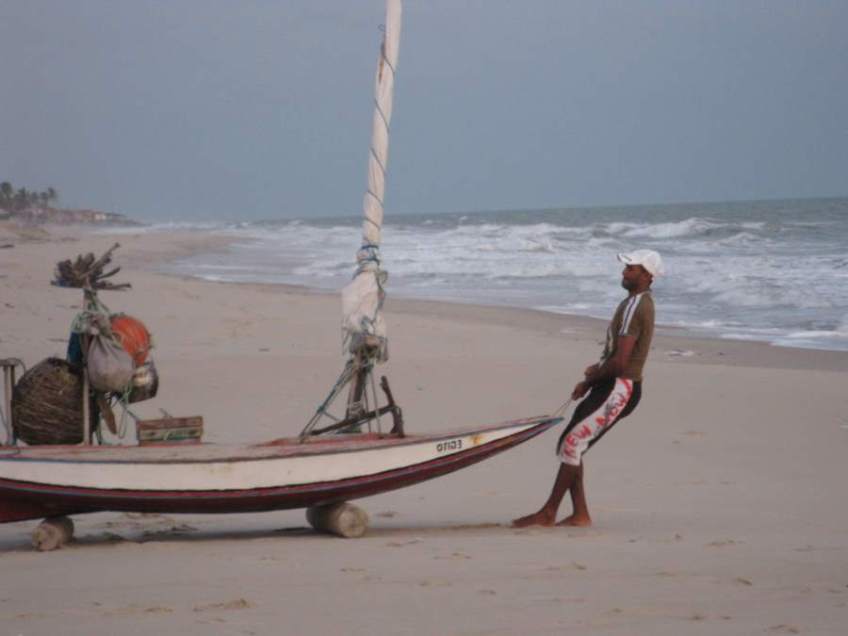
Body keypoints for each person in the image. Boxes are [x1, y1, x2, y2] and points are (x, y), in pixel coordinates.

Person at [513, 249, 663, 528]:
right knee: (570, 444)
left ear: (647, 275)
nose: (624, 272)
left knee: (572, 444)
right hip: (611, 384)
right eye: (626, 267)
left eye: (631, 268)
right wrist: (590, 379)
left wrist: (592, 377)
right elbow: (614, 356)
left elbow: (620, 362)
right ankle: (579, 514)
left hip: (620, 387)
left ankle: (548, 512)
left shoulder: (636, 306)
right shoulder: (634, 303)